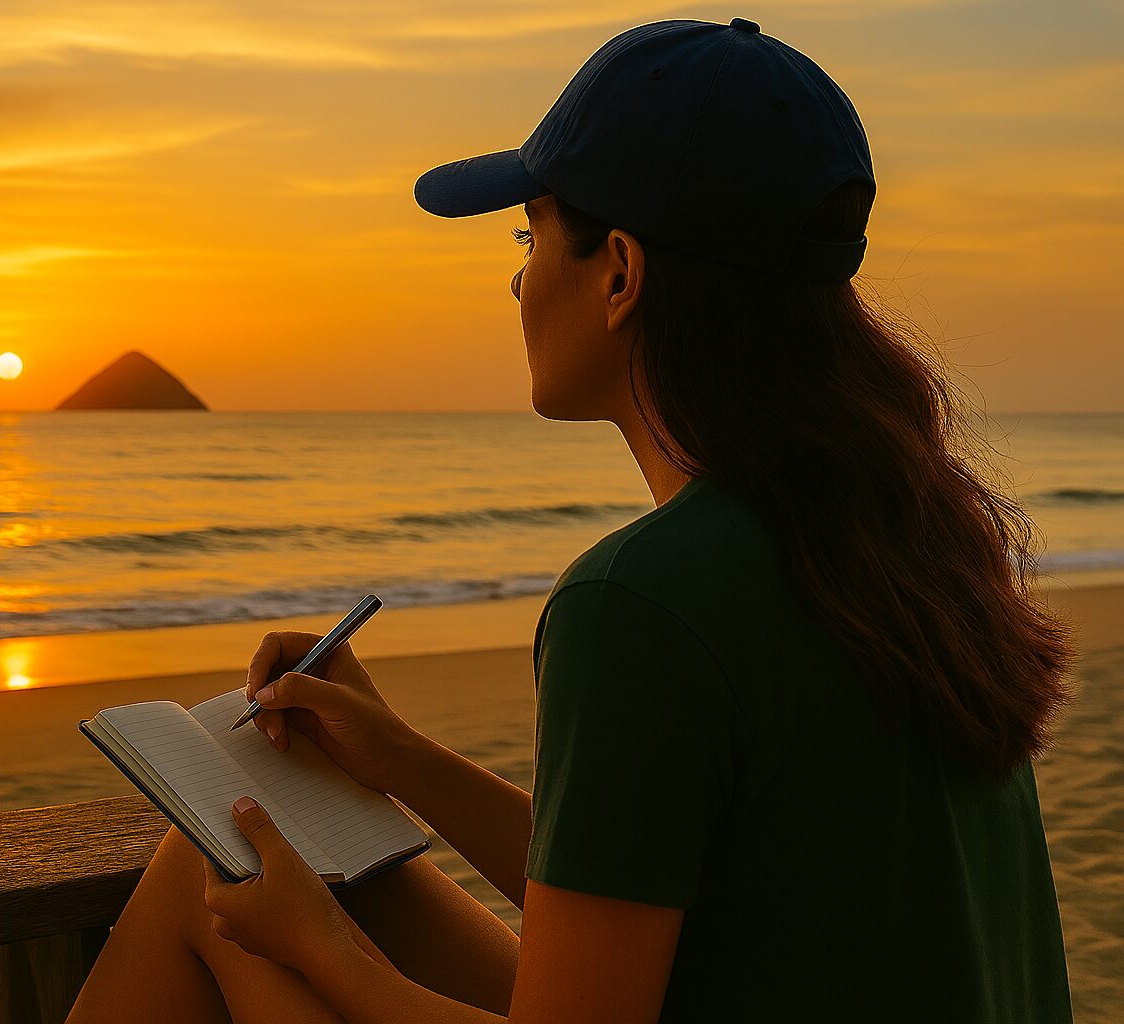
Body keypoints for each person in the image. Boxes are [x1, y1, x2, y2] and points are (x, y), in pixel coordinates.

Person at [66, 16, 1078, 1023]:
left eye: (532, 231)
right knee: (232, 868)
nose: (517, 277)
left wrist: (319, 947)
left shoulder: (640, 601)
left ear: (620, 273)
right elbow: (655, 884)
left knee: (214, 905)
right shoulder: (906, 540)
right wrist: (405, 760)